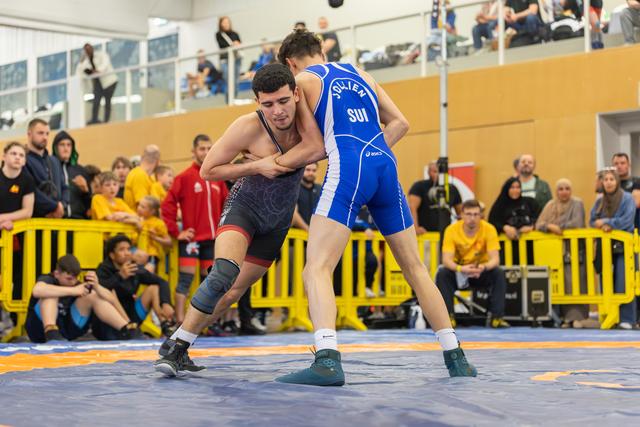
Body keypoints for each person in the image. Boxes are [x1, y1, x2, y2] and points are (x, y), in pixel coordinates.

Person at [271, 30, 476, 385]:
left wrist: (275, 163)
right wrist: (370, 150)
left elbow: (312, 143)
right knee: (415, 268)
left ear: (289, 63)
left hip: (350, 165)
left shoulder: (302, 80)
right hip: (384, 163)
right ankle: (455, 356)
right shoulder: (361, 73)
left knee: (316, 267)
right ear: (321, 50)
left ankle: (327, 360)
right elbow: (401, 122)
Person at [154, 63, 323, 377]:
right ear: (258, 102)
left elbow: (322, 147)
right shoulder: (247, 126)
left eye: (284, 101)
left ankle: (179, 340)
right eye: (268, 104)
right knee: (223, 274)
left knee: (233, 293)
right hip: (245, 206)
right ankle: (176, 351)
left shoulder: (310, 122)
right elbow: (209, 170)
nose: (278, 112)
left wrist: (279, 162)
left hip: (278, 220)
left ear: (296, 94)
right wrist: (257, 167)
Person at [161, 134, 228, 324]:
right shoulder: (184, 177)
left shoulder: (217, 177)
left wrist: (224, 230)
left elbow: (228, 204)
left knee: (210, 283)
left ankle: (202, 323)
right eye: (202, 149)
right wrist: (176, 231)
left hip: (212, 240)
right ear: (193, 151)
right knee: (185, 281)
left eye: (209, 148)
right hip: (191, 241)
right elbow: (167, 206)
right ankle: (180, 323)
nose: (206, 152)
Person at [25, 254, 137, 343]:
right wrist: (73, 291)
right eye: (68, 278)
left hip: (66, 331)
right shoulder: (48, 279)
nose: (73, 282)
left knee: (92, 295)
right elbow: (37, 290)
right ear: (56, 273)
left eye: (75, 278)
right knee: (50, 293)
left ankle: (126, 330)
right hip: (39, 330)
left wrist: (97, 286)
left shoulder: (77, 285)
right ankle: (51, 331)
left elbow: (111, 298)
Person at [436, 199, 509, 328]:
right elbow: (446, 260)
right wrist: (461, 268)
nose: (472, 218)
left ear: (480, 215)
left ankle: (496, 317)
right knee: (442, 273)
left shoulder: (489, 229)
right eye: (469, 214)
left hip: (480, 271)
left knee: (498, 273)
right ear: (462, 215)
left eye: (476, 214)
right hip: (460, 271)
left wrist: (483, 267)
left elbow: (495, 259)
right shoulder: (451, 230)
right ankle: (448, 318)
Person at [535, 179, 592, 328]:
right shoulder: (550, 205)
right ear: (556, 191)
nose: (564, 192)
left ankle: (577, 318)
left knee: (575, 283)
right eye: (560, 189)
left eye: (567, 188)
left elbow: (577, 223)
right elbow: (539, 224)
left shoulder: (577, 203)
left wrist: (557, 227)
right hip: (554, 254)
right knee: (560, 285)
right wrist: (550, 227)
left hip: (574, 251)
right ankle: (563, 318)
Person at [96, 235, 176, 338]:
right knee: (109, 293)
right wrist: (119, 276)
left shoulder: (133, 267)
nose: (126, 253)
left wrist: (166, 303)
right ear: (112, 255)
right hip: (110, 321)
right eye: (121, 249)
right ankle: (127, 328)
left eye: (128, 249)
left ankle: (165, 325)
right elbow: (99, 291)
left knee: (154, 288)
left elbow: (162, 282)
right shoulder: (104, 268)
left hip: (131, 315)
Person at [590, 170, 637, 329]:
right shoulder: (599, 201)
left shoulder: (627, 198)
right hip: (604, 247)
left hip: (624, 247)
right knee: (605, 281)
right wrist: (602, 225)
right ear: (602, 183)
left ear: (617, 181)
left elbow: (627, 221)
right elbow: (592, 221)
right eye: (606, 179)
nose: (609, 182)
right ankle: (609, 315)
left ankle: (627, 318)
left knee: (624, 281)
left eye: (612, 179)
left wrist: (608, 223)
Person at [24, 119, 68, 218]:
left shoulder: (54, 161)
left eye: (47, 134)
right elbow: (30, 190)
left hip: (56, 221)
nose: (45, 137)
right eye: (40, 133)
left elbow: (64, 187)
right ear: (29, 134)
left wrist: (62, 206)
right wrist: (54, 207)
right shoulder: (23, 160)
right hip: (35, 221)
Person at [408, 161, 462, 235]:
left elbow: (460, 213)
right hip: (425, 234)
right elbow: (412, 208)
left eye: (440, 172)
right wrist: (415, 228)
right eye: (435, 171)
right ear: (429, 172)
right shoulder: (419, 186)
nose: (438, 174)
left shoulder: (452, 189)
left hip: (446, 234)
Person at [52, 131, 91, 219]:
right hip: (57, 222)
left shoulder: (81, 170)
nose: (66, 148)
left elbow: (90, 203)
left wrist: (86, 190)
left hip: (78, 222)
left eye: (69, 145)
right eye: (62, 145)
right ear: (55, 148)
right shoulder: (49, 168)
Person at [77, 43, 118, 124]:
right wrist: (81, 61)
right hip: (98, 83)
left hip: (109, 82)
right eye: (86, 50)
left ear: (92, 48)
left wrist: (98, 70)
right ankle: (94, 120)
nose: (88, 51)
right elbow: (80, 71)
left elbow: (105, 64)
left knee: (107, 101)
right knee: (96, 101)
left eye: (89, 49)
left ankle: (106, 121)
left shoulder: (101, 55)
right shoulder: (86, 61)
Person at [0, 142, 35, 230]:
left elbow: (27, 212)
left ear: (24, 161)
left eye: (21, 155)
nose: (17, 157)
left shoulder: (28, 180)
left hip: (15, 230)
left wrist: (4, 218)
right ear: (4, 157)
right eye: (13, 153)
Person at [136, 195, 171, 273]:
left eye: (143, 207)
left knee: (147, 275)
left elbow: (169, 242)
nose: (139, 208)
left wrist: (155, 238)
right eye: (139, 205)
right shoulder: (138, 220)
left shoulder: (158, 223)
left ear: (152, 211)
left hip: (151, 254)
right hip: (137, 253)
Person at [123, 145, 161, 210]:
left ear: (142, 158)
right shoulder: (139, 175)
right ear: (158, 161)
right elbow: (143, 206)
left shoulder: (150, 177)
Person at [216, 16, 242, 98]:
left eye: (227, 22)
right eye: (224, 22)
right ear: (221, 24)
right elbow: (222, 45)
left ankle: (234, 99)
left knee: (236, 80)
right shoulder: (219, 34)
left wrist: (237, 44)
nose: (226, 24)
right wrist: (232, 44)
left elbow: (240, 44)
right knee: (228, 80)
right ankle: (229, 102)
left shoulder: (235, 33)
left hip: (236, 59)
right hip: (225, 60)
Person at [291, 162, 322, 230]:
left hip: (316, 234)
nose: (311, 173)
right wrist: (308, 230)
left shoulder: (320, 189)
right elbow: (294, 215)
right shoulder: (293, 188)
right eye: (308, 170)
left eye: (314, 170)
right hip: (297, 235)